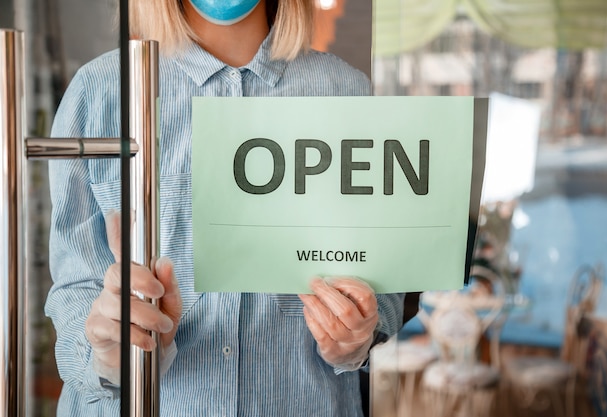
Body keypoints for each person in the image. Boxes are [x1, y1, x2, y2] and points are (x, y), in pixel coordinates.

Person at [45, 0, 405, 415]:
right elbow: (75, 284)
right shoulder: (101, 91)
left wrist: (358, 340)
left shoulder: (348, 92)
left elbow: (384, 286)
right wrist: (106, 356)